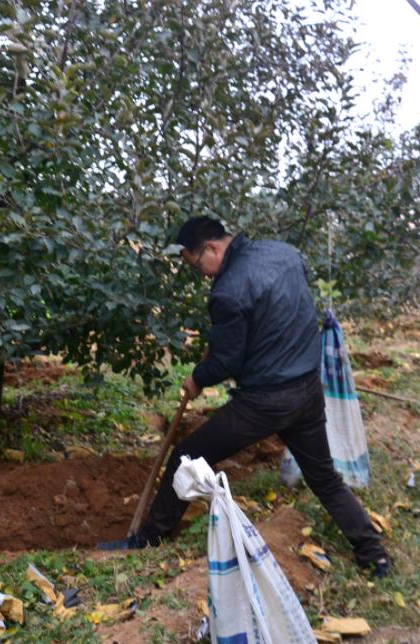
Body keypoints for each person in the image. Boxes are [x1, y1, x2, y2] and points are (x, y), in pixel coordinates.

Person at [99, 217, 390, 577]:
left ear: (213, 248)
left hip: (265, 402)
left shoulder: (228, 290)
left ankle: (147, 540)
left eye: (197, 265)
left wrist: (196, 379)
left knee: (186, 455)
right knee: (324, 477)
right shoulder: (285, 254)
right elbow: (274, 317)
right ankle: (373, 553)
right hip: (307, 390)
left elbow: (226, 362)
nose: (202, 275)